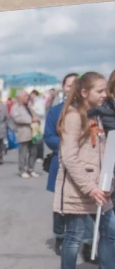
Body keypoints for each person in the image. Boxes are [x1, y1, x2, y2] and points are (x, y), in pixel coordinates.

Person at [55, 72, 115, 269]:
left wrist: (107, 181)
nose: (104, 95)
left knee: (110, 231)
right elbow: (69, 158)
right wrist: (90, 187)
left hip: (100, 188)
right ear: (84, 92)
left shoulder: (95, 115)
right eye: (99, 91)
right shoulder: (73, 116)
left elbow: (99, 153)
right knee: (74, 236)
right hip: (79, 189)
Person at [44, 73, 79, 254]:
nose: (71, 88)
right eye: (68, 85)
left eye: (76, 85)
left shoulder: (88, 109)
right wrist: (68, 145)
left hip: (84, 166)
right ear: (63, 88)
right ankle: (60, 234)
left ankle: (84, 239)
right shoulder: (56, 111)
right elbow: (48, 137)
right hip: (61, 163)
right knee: (61, 204)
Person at [10, 91, 40, 178]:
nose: (27, 97)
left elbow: (35, 115)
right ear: (20, 97)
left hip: (33, 132)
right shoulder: (15, 107)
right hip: (23, 132)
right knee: (23, 153)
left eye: (27, 96)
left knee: (33, 152)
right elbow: (17, 118)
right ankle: (22, 170)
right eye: (25, 96)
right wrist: (31, 119)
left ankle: (31, 169)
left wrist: (36, 119)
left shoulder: (29, 106)